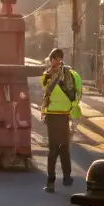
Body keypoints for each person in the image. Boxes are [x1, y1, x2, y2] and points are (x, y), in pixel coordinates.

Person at [41, 47, 82, 193]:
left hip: (62, 116)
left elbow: (78, 92)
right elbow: (45, 89)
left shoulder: (70, 74)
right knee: (55, 148)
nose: (56, 61)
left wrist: (74, 108)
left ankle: (65, 177)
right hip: (53, 116)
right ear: (51, 60)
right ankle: (54, 180)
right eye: (54, 59)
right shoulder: (47, 75)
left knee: (62, 148)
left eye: (58, 58)